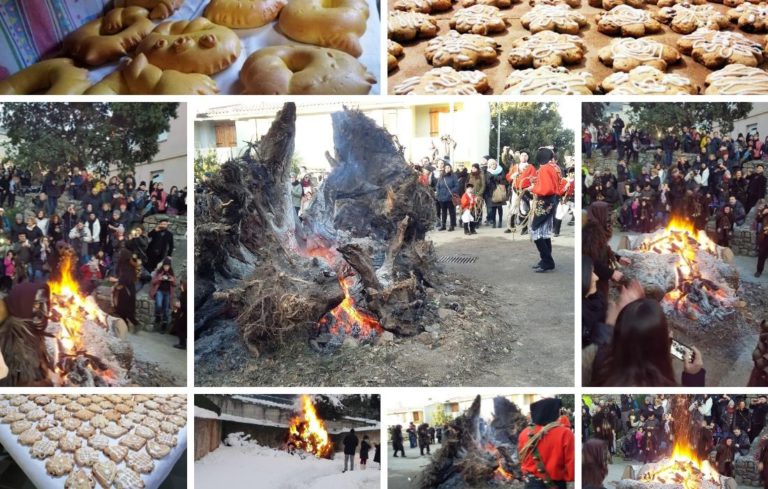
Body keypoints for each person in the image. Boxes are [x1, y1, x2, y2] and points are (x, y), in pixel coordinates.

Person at [590, 298, 706, 387]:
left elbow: (603, 343)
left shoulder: (599, 358)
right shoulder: (661, 386)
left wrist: (609, 324)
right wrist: (693, 376)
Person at [518, 397, 574, 489]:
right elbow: (572, 470)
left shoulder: (524, 433)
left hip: (530, 484)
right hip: (554, 484)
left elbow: (522, 460)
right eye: (558, 411)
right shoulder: (565, 433)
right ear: (553, 412)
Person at [529, 148, 562, 273]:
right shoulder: (553, 167)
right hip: (551, 201)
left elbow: (546, 189)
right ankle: (545, 259)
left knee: (535, 230)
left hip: (544, 201)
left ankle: (547, 261)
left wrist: (533, 188)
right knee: (544, 232)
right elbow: (550, 183)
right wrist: (536, 181)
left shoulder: (544, 168)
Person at [149, 258, 176, 332]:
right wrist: (160, 278)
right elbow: (153, 282)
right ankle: (158, 316)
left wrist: (171, 280)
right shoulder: (159, 272)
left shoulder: (171, 273)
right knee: (159, 305)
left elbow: (174, 284)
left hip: (167, 293)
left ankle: (164, 325)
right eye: (165, 266)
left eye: (167, 266)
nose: (166, 268)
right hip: (159, 291)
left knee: (166, 309)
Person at [436, 163, 459, 231]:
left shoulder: (453, 176)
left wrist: (451, 192)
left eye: (448, 168)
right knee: (443, 212)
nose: (447, 169)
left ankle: (452, 225)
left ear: (450, 168)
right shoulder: (441, 176)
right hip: (441, 197)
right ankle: (443, 225)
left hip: (450, 197)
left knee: (451, 212)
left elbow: (457, 186)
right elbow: (438, 185)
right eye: (445, 168)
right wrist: (438, 192)